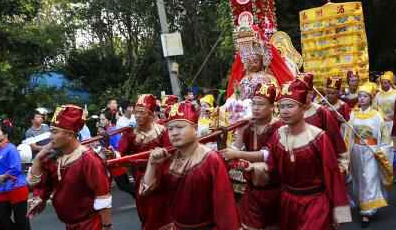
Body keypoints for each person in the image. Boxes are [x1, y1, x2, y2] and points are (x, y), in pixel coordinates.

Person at [255, 77, 351, 230]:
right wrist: (252, 168)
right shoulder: (278, 135)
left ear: (302, 107)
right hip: (288, 203)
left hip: (315, 203)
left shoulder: (319, 137)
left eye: (290, 106)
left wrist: (339, 213)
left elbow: (332, 175)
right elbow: (270, 169)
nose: (284, 111)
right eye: (282, 106)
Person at [141, 101, 240, 230]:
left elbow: (224, 206)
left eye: (180, 127)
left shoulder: (211, 159)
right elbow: (145, 192)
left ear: (195, 128)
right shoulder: (168, 159)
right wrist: (152, 164)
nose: (174, 133)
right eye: (170, 129)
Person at [28, 104, 112, 230]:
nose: (50, 137)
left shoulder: (89, 160)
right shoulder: (56, 158)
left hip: (90, 225)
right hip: (69, 226)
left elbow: (102, 196)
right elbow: (35, 184)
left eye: (54, 132)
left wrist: (107, 226)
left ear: (69, 135)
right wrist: (38, 159)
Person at [220, 82, 283, 230]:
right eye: (254, 103)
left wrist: (237, 153)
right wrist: (240, 131)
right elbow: (237, 147)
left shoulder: (279, 127)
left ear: (272, 107)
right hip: (252, 190)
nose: (255, 108)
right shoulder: (249, 126)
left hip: (275, 189)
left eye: (261, 104)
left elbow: (266, 155)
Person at [110, 94, 172, 230]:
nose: (137, 116)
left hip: (162, 179)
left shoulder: (162, 131)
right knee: (146, 213)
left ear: (151, 114)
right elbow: (120, 154)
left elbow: (170, 154)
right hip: (141, 180)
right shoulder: (130, 134)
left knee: (165, 214)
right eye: (136, 112)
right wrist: (113, 155)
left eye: (141, 112)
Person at [349, 82, 393, 227]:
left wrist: (382, 151)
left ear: (371, 98)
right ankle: (363, 204)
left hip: (371, 150)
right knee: (359, 179)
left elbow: (384, 136)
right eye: (360, 96)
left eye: (365, 96)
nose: (361, 99)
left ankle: (366, 213)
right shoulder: (353, 113)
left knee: (369, 178)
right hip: (356, 150)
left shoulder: (376, 115)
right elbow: (348, 133)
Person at [297, 73, 349, 174]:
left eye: (305, 92)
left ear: (311, 93)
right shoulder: (291, 112)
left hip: (322, 159)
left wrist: (342, 163)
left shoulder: (321, 111)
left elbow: (336, 136)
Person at [0, 122, 30, 230]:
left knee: (21, 221)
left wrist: (3, 177)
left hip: (16, 187)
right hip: (3, 189)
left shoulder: (11, 148)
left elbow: (16, 168)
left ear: (5, 134)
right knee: (0, 217)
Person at [374, 71, 396, 136]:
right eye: (382, 83)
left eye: (385, 83)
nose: (383, 85)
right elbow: (375, 107)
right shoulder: (378, 94)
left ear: (390, 83)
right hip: (381, 121)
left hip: (393, 121)